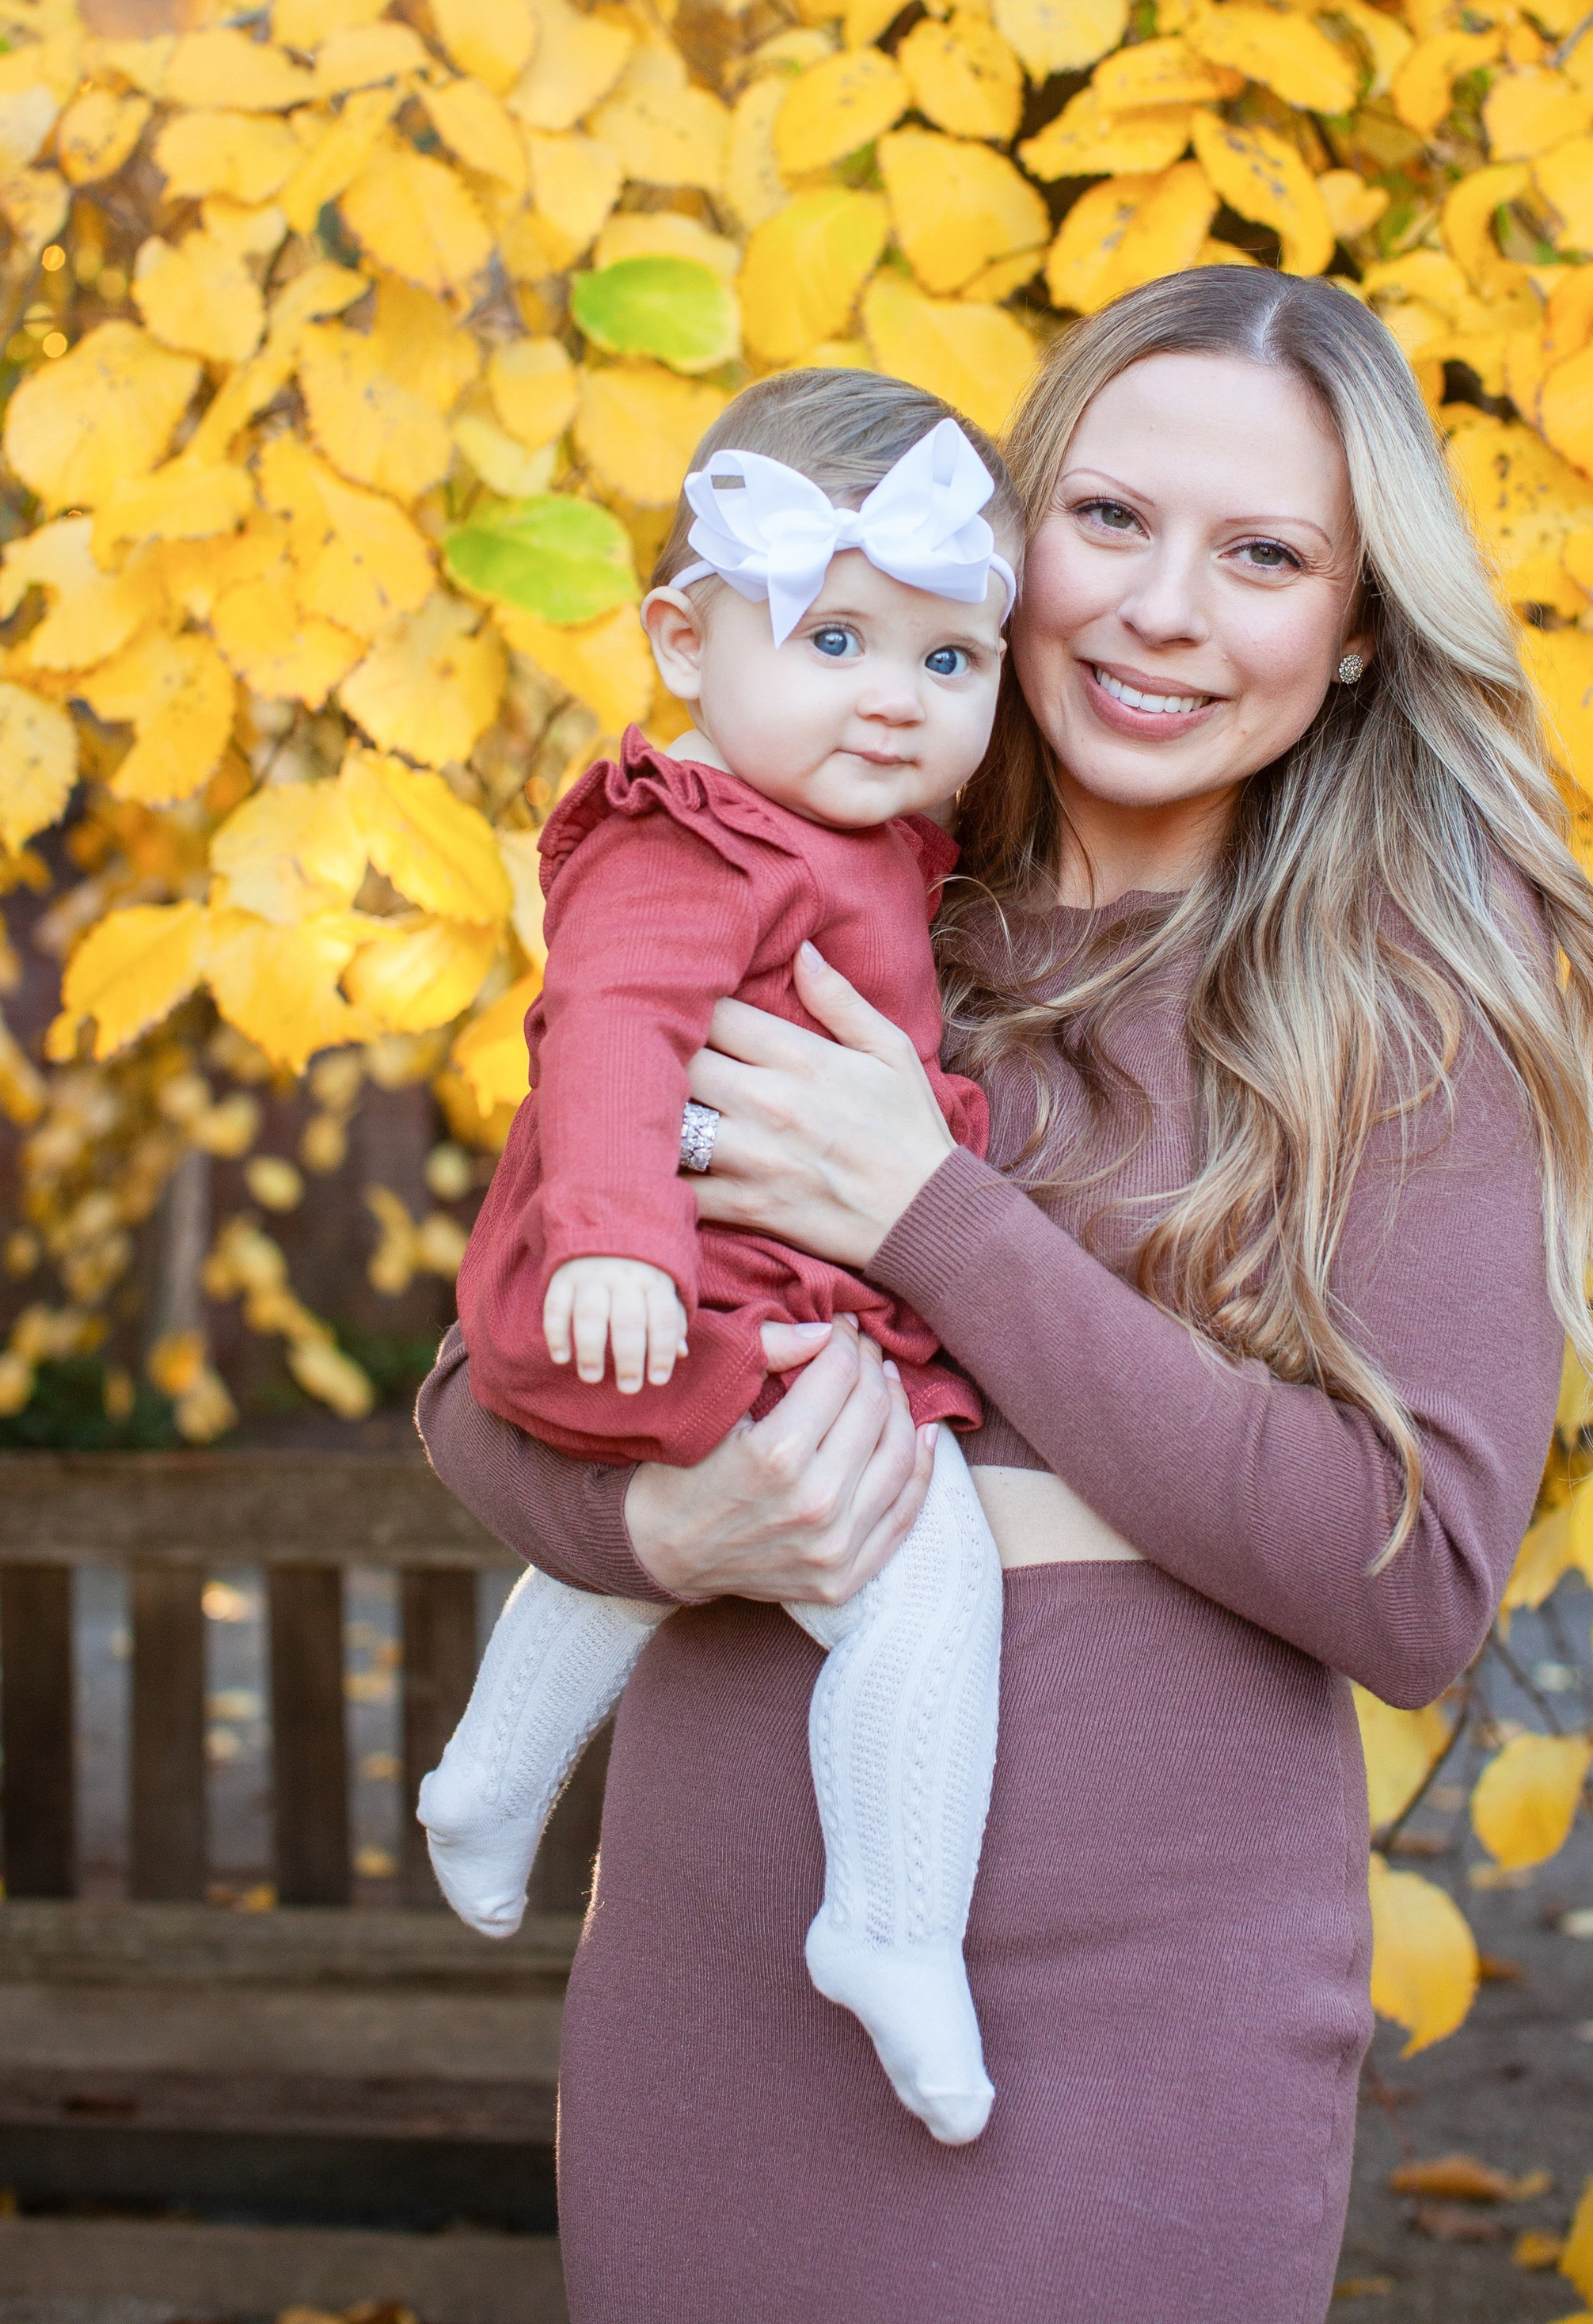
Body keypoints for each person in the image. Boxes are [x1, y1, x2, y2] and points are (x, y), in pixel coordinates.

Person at [418, 264, 1593, 2324]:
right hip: (719, 1982)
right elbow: (482, 1381)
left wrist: (931, 1217)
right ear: (1008, 542)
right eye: (1112, 521)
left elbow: (1416, 1586)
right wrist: (658, 1524)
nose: (1168, 608)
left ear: (1353, 633)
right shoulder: (818, 875)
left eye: (1263, 555)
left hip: (1141, 2023)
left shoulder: (1428, 1009)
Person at [422, 375, 1025, 2145]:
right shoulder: (688, 837)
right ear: (685, 642)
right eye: (834, 635)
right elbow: (604, 1028)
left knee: (643, 1543)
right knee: (924, 1572)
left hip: (737, 1289)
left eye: (945, 661)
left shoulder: (853, 839)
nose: (892, 699)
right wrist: (613, 1244)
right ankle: (891, 1920)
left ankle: (490, 1775)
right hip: (679, 1286)